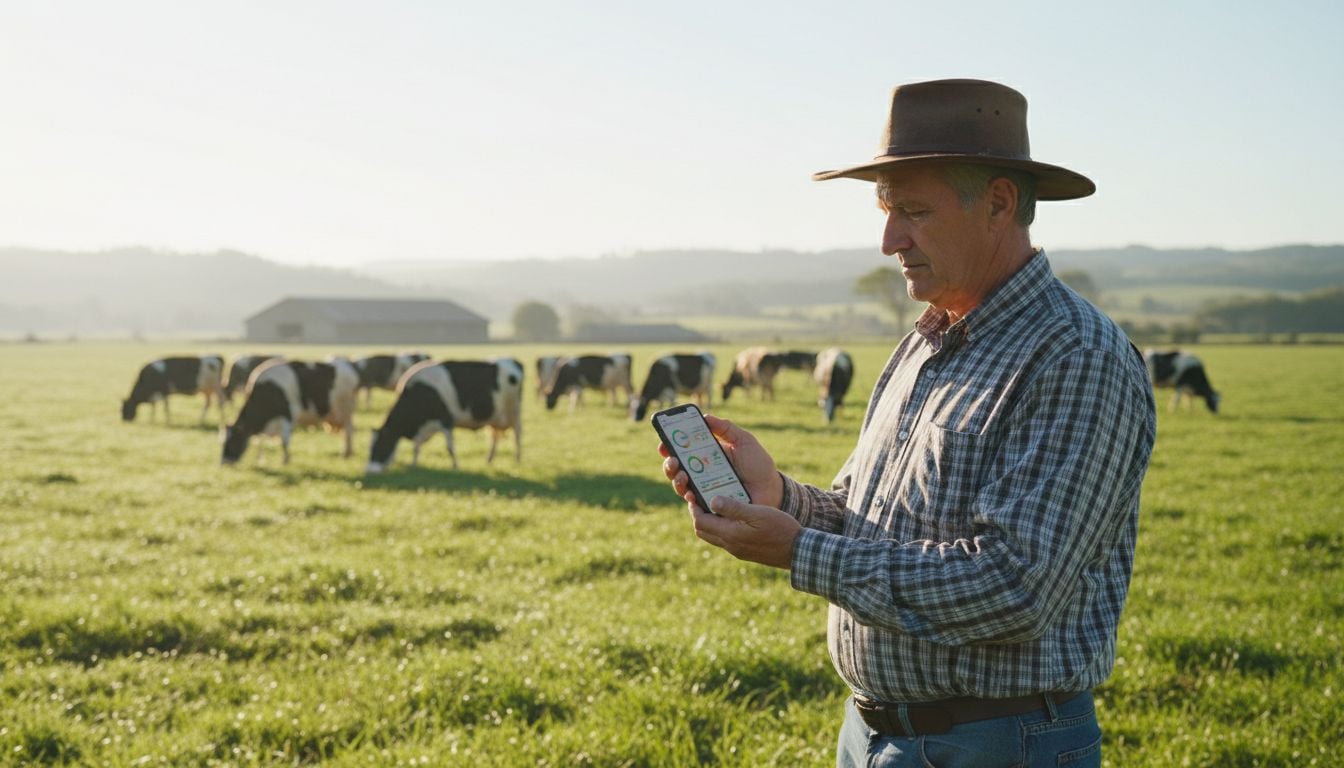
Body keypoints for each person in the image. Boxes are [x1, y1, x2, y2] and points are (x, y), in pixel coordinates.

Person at [658, 79, 1156, 767]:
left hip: (996, 743)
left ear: (999, 204)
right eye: (887, 210)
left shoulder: (1076, 356)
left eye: (914, 212)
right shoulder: (928, 338)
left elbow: (1013, 586)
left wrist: (799, 551)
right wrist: (779, 498)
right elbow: (871, 520)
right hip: (874, 735)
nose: (889, 238)